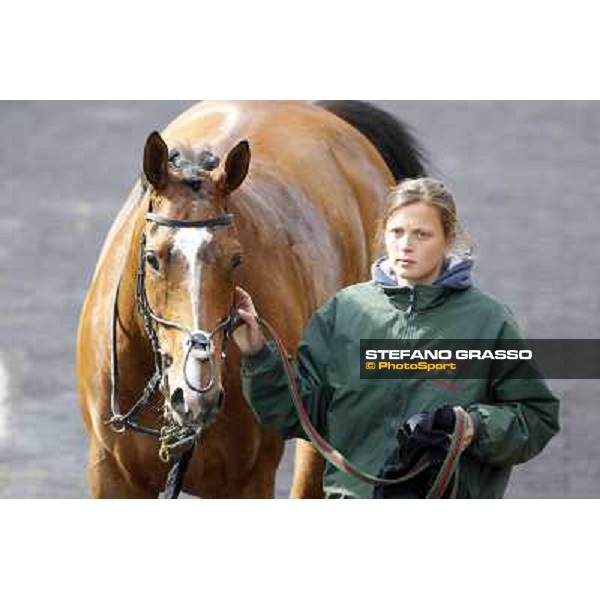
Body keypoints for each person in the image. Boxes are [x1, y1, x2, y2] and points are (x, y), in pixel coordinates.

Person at [232, 177, 560, 498]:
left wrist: (473, 426)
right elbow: (297, 413)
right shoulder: (343, 312)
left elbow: (536, 417)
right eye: (397, 232)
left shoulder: (488, 322)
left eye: (422, 234)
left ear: (447, 239)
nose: (406, 245)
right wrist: (258, 353)